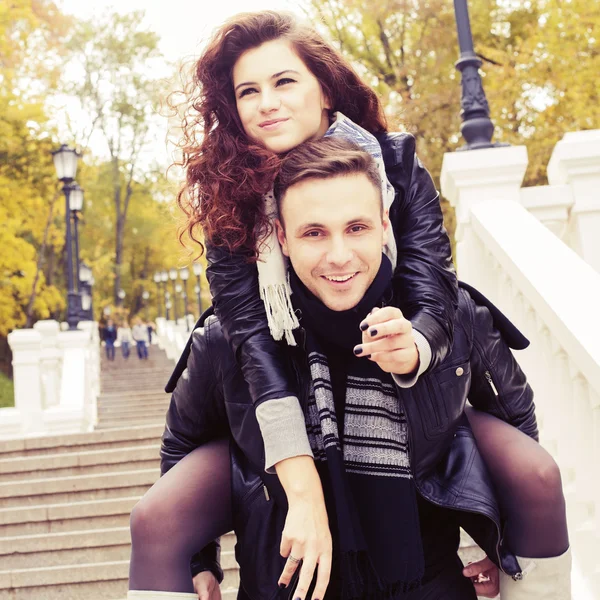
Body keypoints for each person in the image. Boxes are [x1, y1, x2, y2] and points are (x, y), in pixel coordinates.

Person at [132, 10, 568, 599]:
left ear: (323, 85)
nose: (266, 103)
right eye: (248, 91)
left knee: (527, 469)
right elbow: (252, 344)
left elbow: (433, 285)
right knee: (161, 513)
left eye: (284, 81)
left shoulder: (392, 162)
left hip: (405, 388)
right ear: (283, 238)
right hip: (286, 394)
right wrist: (299, 486)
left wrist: (412, 345)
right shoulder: (233, 201)